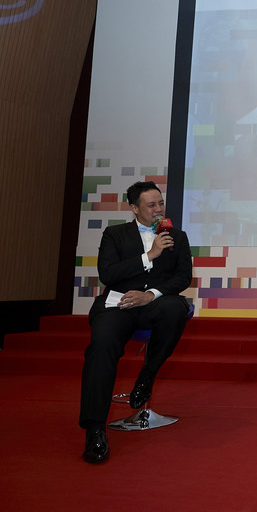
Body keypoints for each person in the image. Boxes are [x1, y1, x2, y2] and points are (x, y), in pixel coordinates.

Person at [79, 181, 193, 463]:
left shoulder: (177, 236)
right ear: (134, 208)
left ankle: (147, 375)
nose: (158, 210)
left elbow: (182, 278)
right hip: (118, 304)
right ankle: (95, 429)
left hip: (154, 303)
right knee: (101, 347)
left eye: (160, 204)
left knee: (175, 307)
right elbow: (108, 273)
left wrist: (150, 294)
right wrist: (149, 255)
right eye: (151, 205)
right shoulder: (115, 234)